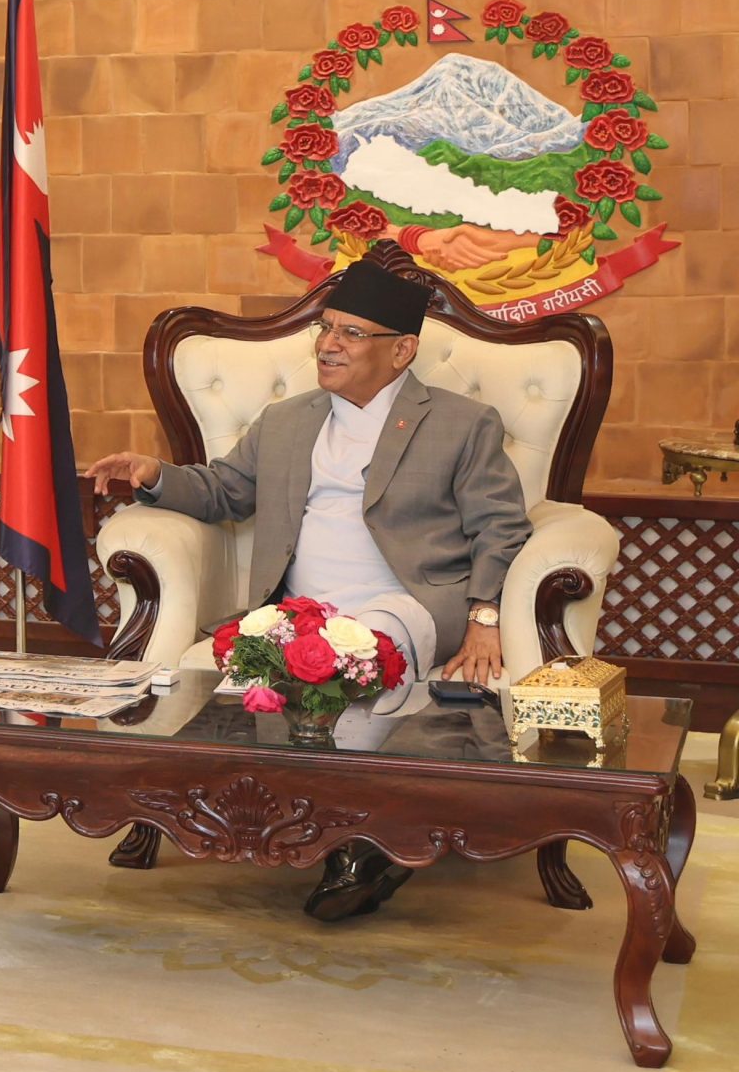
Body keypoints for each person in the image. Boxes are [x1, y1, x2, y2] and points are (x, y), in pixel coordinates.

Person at [87, 257, 533, 921]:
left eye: (352, 332)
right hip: (299, 611)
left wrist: (484, 616)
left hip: (408, 603)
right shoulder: (287, 421)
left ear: (402, 351)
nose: (329, 344)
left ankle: (356, 845)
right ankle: (280, 823)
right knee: (260, 671)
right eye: (326, 328)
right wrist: (155, 473)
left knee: (357, 658)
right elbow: (223, 491)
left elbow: (501, 524)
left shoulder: (463, 423)